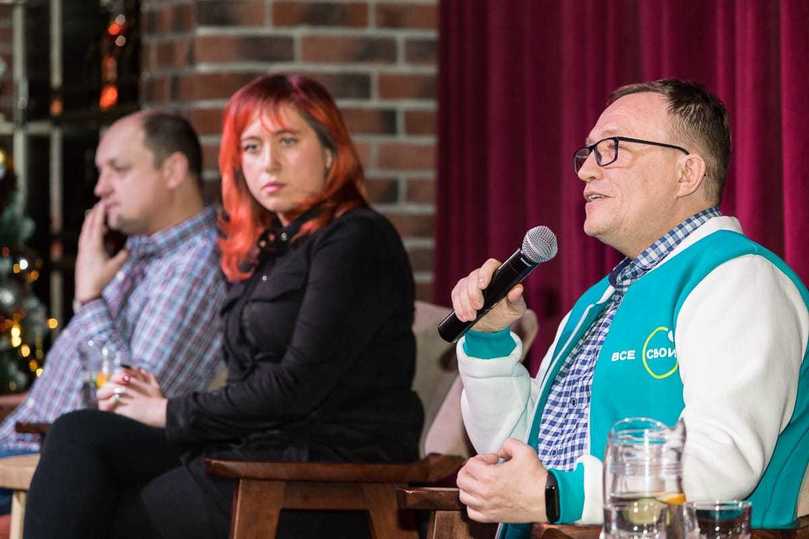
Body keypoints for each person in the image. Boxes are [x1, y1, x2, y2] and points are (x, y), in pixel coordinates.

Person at [23, 73, 424, 539]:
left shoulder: (357, 239)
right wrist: (158, 403)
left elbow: (295, 387)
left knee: (110, 510)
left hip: (322, 474)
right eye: (252, 147)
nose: (269, 163)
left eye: (288, 141)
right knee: (79, 434)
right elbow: (248, 381)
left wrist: (168, 411)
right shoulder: (273, 248)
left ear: (330, 151)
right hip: (254, 451)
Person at [449, 79, 809, 537]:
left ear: (687, 173)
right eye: (588, 154)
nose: (586, 171)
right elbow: (516, 451)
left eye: (612, 148)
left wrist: (560, 495)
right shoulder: (597, 301)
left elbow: (721, 460)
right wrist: (488, 341)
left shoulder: (740, 278)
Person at [0, 112, 224, 451]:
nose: (100, 188)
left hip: (44, 463)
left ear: (173, 171)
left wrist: (90, 298)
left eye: (118, 169)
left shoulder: (194, 265)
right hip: (20, 450)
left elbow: (126, 405)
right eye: (101, 171)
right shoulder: (140, 253)